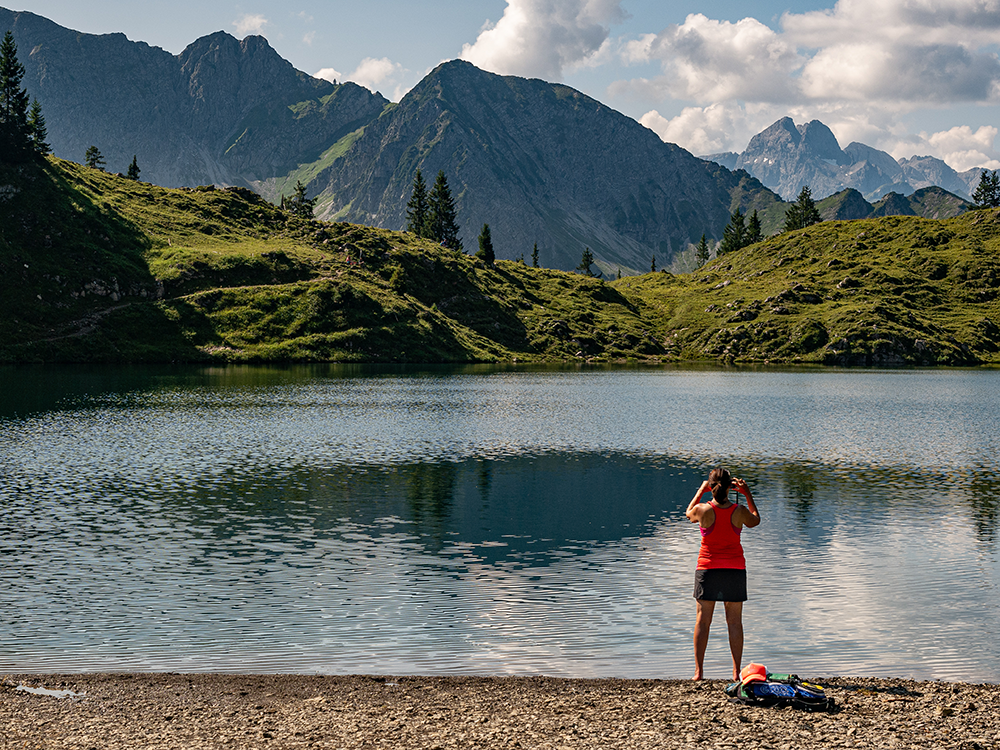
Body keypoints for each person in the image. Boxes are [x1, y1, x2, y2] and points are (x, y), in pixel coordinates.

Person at [685, 467, 760, 681]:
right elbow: (756, 520)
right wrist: (747, 494)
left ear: (711, 487)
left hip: (707, 569)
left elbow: (688, 513)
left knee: (702, 621)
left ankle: (699, 672)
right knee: (734, 622)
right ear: (730, 487)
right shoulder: (739, 510)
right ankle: (736, 672)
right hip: (734, 570)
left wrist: (701, 490)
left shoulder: (702, 510)